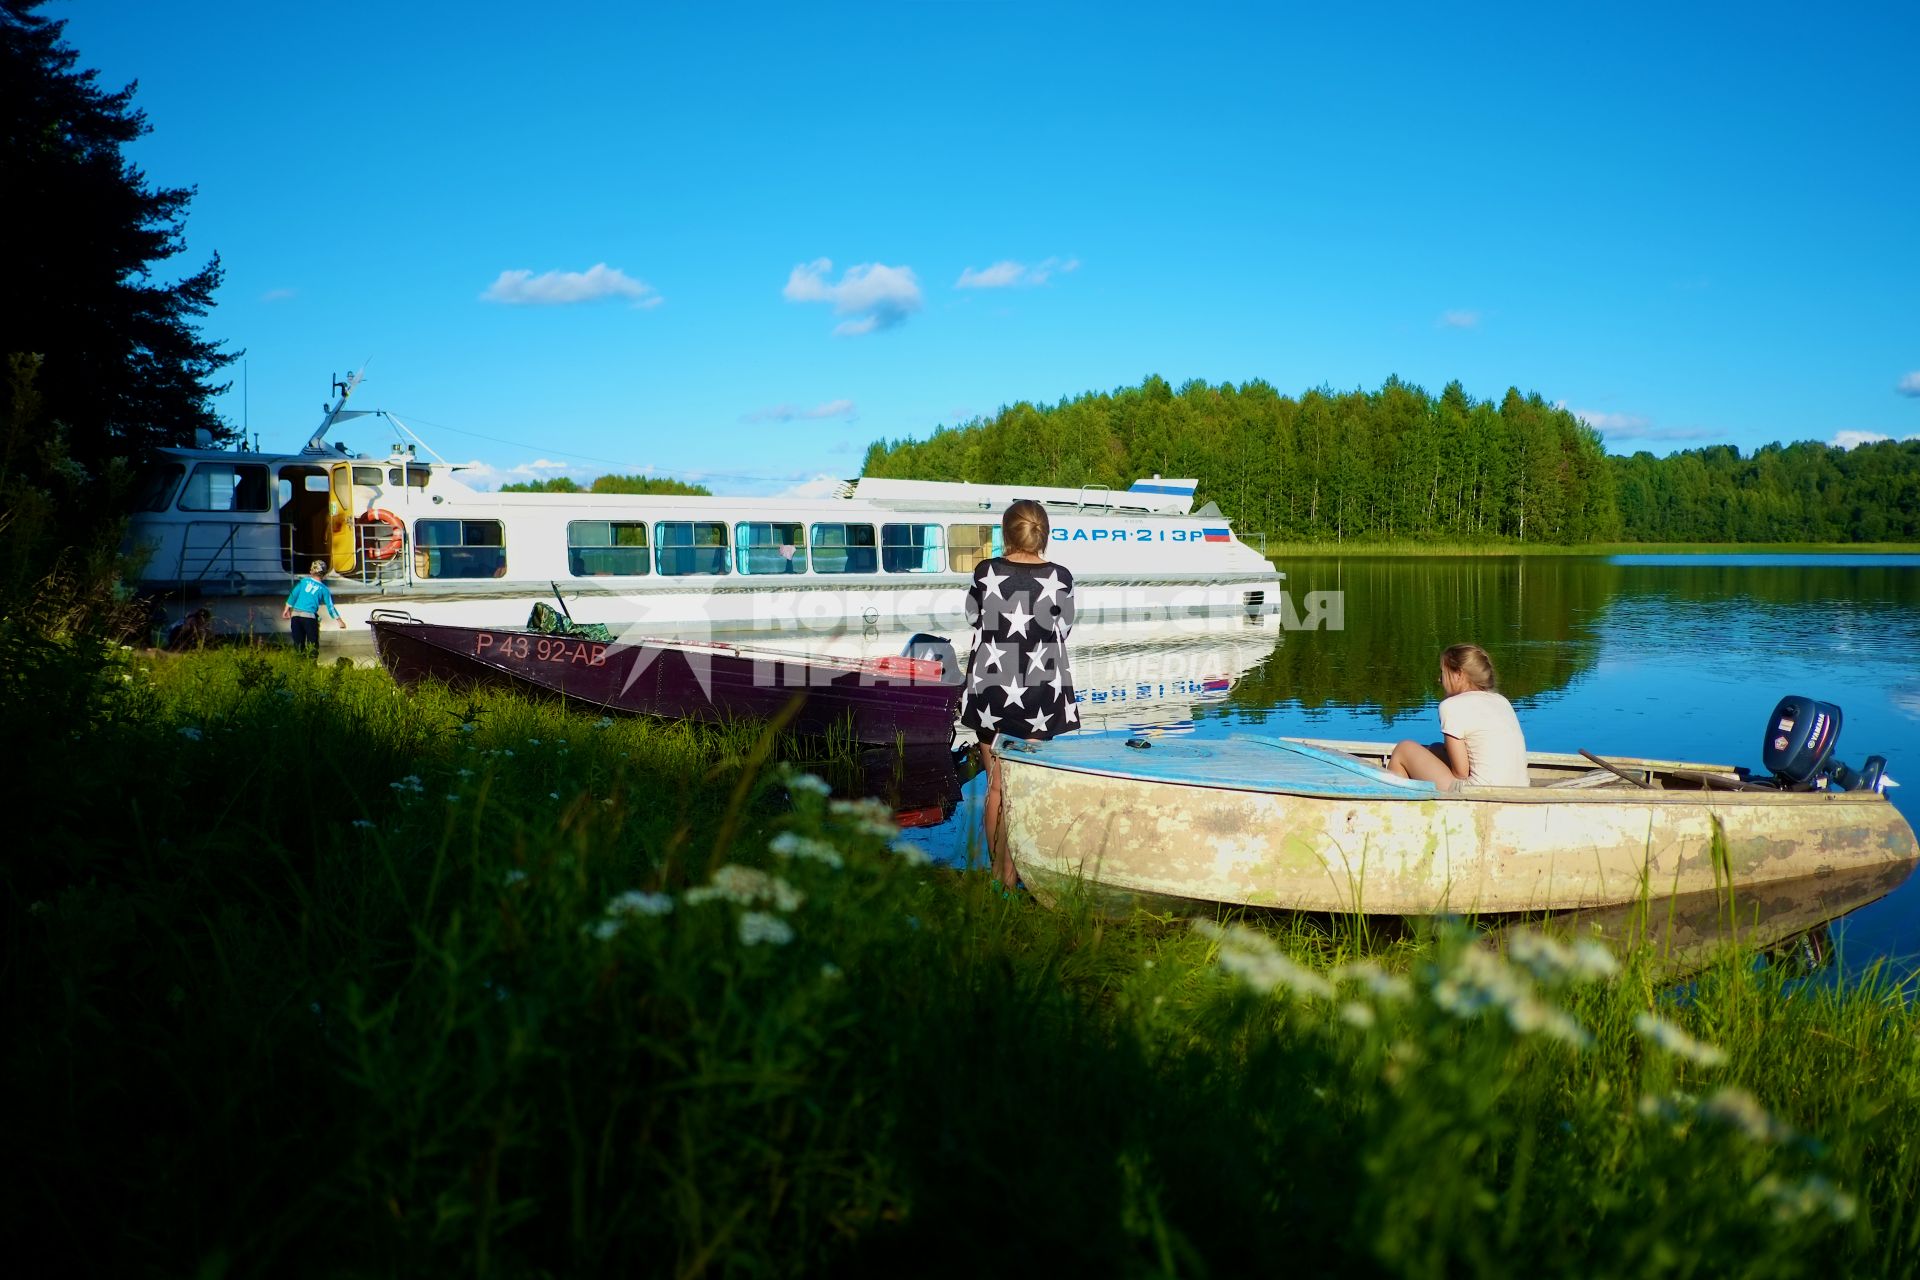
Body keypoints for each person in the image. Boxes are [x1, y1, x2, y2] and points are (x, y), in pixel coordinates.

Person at [959, 499, 1079, 889]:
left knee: (995, 785)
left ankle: (1000, 878)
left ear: (1006, 534)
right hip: (1040, 694)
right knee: (1024, 787)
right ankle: (1024, 872)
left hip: (991, 688)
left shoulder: (985, 572)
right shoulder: (1060, 577)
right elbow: (1067, 626)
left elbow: (972, 617)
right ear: (1044, 534)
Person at [1386, 643, 1530, 788]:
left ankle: (1398, 804)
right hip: (1520, 788)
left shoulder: (1451, 706)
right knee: (1435, 749)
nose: (1439, 679)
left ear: (1459, 674)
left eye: (1443, 672)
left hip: (1479, 792)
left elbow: (1461, 773)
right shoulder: (1501, 700)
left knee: (1403, 749)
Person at [282, 560, 346, 655]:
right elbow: (330, 607)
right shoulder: (324, 589)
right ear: (324, 574)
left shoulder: (303, 582)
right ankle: (312, 665)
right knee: (313, 644)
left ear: (311, 571)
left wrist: (286, 609)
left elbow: (293, 595)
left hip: (295, 616)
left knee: (298, 644)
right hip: (309, 617)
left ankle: (299, 665)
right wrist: (339, 621)